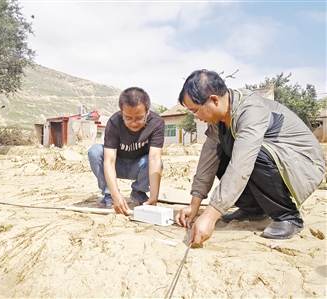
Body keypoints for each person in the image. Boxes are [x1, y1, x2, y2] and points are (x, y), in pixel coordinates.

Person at [175, 69, 325, 246]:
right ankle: (253, 209)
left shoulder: (250, 110)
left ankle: (288, 216)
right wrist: (194, 205)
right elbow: (207, 162)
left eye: (195, 111)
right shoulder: (218, 122)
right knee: (221, 153)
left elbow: (241, 166)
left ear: (214, 100)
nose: (196, 118)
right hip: (276, 160)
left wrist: (210, 216)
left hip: (304, 165)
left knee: (253, 153)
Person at [88, 87, 165, 216]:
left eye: (139, 118)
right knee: (95, 151)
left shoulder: (156, 123)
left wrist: (154, 197)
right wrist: (115, 194)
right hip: (118, 165)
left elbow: (154, 159)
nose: (134, 123)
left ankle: (139, 192)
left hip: (139, 166)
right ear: (121, 113)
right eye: (128, 118)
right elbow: (109, 161)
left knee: (158, 163)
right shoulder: (114, 122)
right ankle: (108, 195)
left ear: (147, 112)